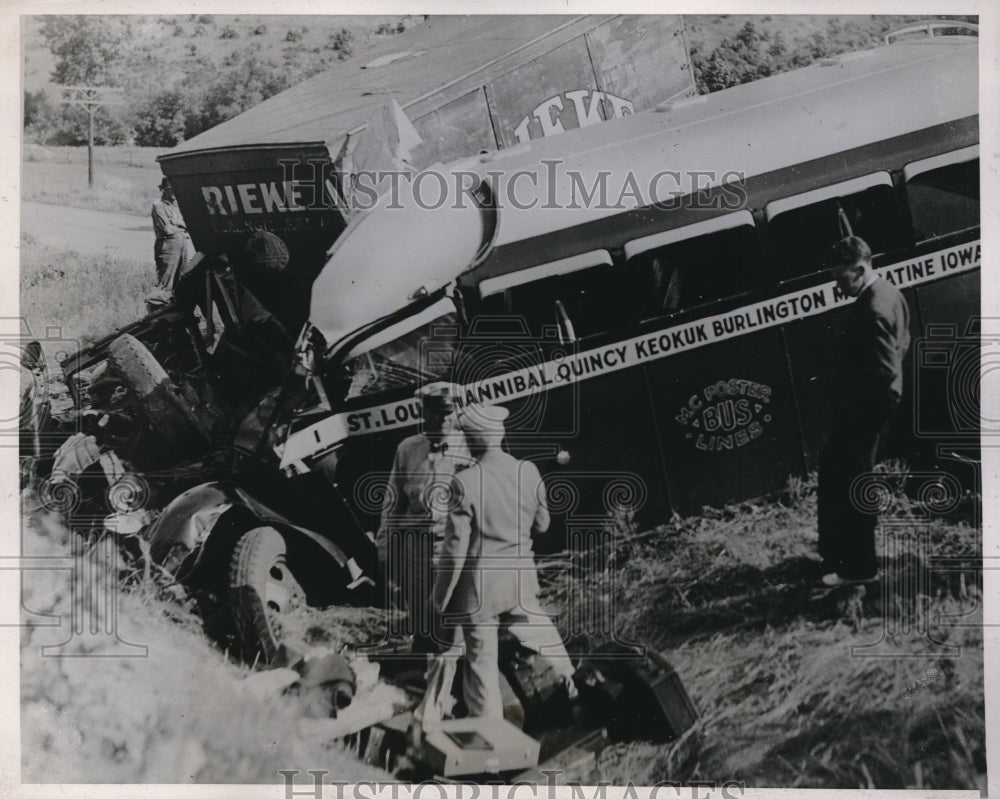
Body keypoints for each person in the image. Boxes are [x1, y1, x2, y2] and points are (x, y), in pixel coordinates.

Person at [429, 403, 576, 720]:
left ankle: (491, 740)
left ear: (470, 441)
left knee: (481, 668)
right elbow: (543, 525)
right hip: (521, 580)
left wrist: (440, 599)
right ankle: (577, 691)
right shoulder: (528, 471)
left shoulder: (463, 482)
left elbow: (455, 550)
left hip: (480, 593)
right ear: (500, 433)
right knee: (546, 641)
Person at [817, 236, 911, 586]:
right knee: (837, 472)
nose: (838, 287)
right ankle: (838, 553)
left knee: (853, 482)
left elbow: (883, 369)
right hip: (869, 404)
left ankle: (859, 569)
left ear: (860, 269)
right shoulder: (888, 292)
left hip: (865, 409)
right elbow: (903, 342)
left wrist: (858, 407)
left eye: (841, 279)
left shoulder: (871, 309)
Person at [376, 382, 472, 653]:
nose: (443, 420)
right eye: (437, 413)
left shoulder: (469, 448)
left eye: (448, 413)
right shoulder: (408, 449)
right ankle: (425, 676)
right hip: (415, 551)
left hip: (454, 547)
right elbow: (392, 504)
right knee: (422, 624)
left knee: (456, 626)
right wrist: (385, 553)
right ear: (424, 413)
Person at [151, 178, 195, 291]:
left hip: (182, 245)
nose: (175, 192)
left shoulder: (177, 205)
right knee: (165, 282)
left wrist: (178, 223)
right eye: (171, 189)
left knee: (181, 281)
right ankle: (159, 307)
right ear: (164, 189)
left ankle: (176, 307)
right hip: (168, 246)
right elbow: (167, 230)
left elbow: (189, 224)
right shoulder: (158, 206)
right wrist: (183, 228)